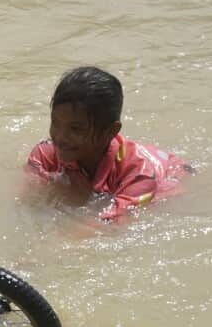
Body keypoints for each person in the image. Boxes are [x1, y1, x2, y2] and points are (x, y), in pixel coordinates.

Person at [27, 66, 192, 222]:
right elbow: (30, 201)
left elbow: (110, 222)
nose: (60, 136)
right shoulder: (45, 155)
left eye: (75, 129)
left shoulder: (139, 173)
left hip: (173, 174)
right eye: (55, 122)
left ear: (110, 131)